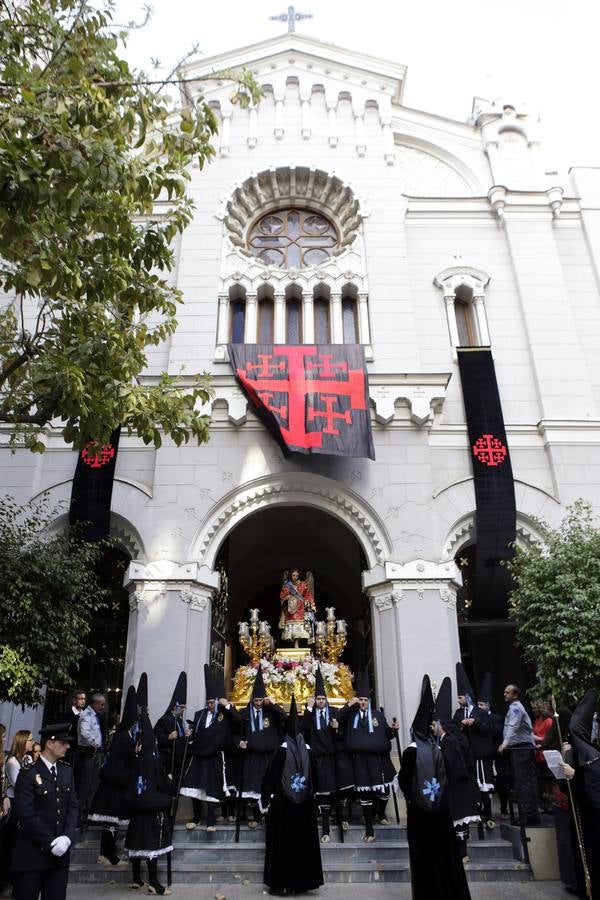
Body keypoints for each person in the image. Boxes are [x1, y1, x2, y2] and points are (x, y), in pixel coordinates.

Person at [399, 675, 472, 900]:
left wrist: (412, 798)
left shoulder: (412, 751)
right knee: (445, 857)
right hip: (441, 812)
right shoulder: (438, 748)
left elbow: (403, 781)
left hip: (420, 815)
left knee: (424, 862)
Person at [260, 696, 324, 895]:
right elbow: (317, 780)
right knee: (302, 844)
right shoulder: (310, 751)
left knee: (283, 844)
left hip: (283, 806)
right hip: (304, 806)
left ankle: (281, 883)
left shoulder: (280, 751)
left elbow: (270, 779)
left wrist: (264, 801)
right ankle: (302, 882)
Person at [11, 722, 79, 900]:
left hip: (58, 860)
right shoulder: (28, 773)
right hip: (31, 857)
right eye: (63, 742)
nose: (68, 746)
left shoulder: (66, 772)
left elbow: (73, 807)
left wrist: (67, 837)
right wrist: (51, 842)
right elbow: (26, 814)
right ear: (50, 743)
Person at [338, 669, 399, 842]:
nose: (363, 703)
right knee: (364, 795)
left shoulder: (378, 715)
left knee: (384, 791)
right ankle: (370, 829)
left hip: (379, 760)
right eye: (361, 700)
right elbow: (338, 720)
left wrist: (393, 730)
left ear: (369, 701)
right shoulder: (351, 716)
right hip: (360, 761)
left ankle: (379, 813)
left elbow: (387, 733)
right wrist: (350, 705)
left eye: (365, 700)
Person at [180, 666, 239, 832]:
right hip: (198, 755)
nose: (210, 705)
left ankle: (211, 822)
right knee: (195, 786)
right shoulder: (199, 715)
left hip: (214, 756)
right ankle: (196, 817)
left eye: (212, 702)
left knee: (212, 788)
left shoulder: (224, 715)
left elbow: (239, 721)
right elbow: (196, 733)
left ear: (217, 700)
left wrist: (227, 706)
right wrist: (189, 734)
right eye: (207, 703)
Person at [125, 697, 173, 896]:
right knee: (153, 844)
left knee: (137, 842)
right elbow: (163, 783)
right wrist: (169, 780)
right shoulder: (153, 761)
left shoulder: (136, 759)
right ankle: (153, 881)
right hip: (152, 808)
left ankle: (136, 878)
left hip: (136, 808)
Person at [300, 666, 353, 842]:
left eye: (323, 698)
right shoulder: (310, 713)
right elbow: (302, 729)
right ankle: (325, 830)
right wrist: (308, 709)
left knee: (338, 791)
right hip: (318, 759)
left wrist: (337, 730)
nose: (321, 701)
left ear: (326, 699)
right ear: (315, 700)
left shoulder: (334, 712)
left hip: (334, 758)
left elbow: (343, 734)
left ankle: (343, 818)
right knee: (323, 794)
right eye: (318, 699)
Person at [88, 685, 138, 868]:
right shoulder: (126, 738)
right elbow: (130, 759)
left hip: (113, 785)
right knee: (111, 823)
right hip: (114, 788)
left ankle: (107, 853)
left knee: (112, 824)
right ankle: (107, 854)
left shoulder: (122, 736)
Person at [433, 677, 480, 862]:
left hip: (458, 785)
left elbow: (448, 764)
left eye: (434, 724)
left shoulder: (450, 742)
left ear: (440, 725)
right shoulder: (445, 741)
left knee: (460, 819)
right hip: (453, 785)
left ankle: (463, 853)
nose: (432, 727)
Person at [237, 667, 287, 828]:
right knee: (253, 787)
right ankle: (255, 817)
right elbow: (234, 731)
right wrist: (238, 741)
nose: (258, 704)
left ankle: (268, 816)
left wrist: (271, 704)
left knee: (269, 786)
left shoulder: (270, 712)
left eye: (260, 700)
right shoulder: (244, 713)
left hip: (269, 756)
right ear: (251, 699)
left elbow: (284, 717)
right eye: (256, 701)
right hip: (252, 756)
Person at [564, 689, 600, 900]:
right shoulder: (578, 754)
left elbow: (594, 791)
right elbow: (567, 788)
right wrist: (565, 758)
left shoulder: (594, 757)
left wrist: (575, 774)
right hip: (581, 821)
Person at [462, 672, 503, 830]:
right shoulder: (473, 715)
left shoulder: (490, 718)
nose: (479, 707)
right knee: (477, 787)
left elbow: (489, 730)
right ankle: (479, 813)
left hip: (485, 756)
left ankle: (489, 815)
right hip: (474, 755)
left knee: (486, 787)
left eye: (481, 704)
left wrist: (476, 722)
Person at [498, 684, 541, 826]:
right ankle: (529, 814)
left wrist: (504, 743)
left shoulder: (516, 708)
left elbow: (513, 727)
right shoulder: (514, 708)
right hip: (520, 748)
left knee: (524, 783)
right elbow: (526, 730)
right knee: (523, 782)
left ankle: (528, 816)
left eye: (507, 692)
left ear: (515, 695)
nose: (504, 694)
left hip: (521, 749)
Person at [154, 671, 190, 786]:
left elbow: (181, 738)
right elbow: (157, 736)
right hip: (168, 760)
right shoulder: (165, 720)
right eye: (182, 707)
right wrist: (168, 737)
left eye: (184, 707)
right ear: (176, 706)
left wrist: (186, 735)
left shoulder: (180, 721)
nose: (184, 710)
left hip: (179, 760)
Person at [77, 692, 107, 825]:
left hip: (95, 754)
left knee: (93, 785)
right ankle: (79, 816)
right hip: (89, 753)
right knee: (86, 786)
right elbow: (84, 733)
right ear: (94, 704)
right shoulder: (87, 715)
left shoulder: (94, 716)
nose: (103, 707)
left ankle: (88, 814)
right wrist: (94, 744)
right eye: (101, 704)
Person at [279, 568, 316, 642]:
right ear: (291, 576)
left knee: (301, 625)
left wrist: (312, 605)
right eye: (293, 575)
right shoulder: (287, 585)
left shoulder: (303, 585)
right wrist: (287, 597)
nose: (295, 577)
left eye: (296, 575)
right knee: (291, 624)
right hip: (290, 608)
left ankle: (297, 642)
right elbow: (282, 596)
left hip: (301, 608)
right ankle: (292, 639)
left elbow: (308, 595)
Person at [532, 699, 554, 813]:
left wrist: (538, 739)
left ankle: (554, 802)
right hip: (538, 754)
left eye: (535, 708)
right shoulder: (537, 720)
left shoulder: (549, 721)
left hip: (546, 754)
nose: (533, 710)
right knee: (543, 781)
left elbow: (551, 738)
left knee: (550, 781)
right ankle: (547, 803)